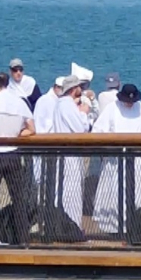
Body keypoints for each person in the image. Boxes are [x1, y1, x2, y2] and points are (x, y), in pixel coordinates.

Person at [91, 83, 141, 234]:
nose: (129, 103)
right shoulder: (111, 109)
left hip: (138, 159)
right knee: (115, 192)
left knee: (138, 192)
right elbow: (98, 130)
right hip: (116, 159)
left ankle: (137, 223)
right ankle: (114, 227)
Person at [0, 75, 37, 244]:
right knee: (18, 198)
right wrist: (17, 134)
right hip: (13, 153)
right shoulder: (19, 103)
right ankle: (23, 238)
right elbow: (32, 129)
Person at [51, 75, 92, 222]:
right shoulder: (67, 105)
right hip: (70, 153)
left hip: (64, 152)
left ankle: (65, 223)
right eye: (79, 87)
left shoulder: (61, 103)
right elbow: (80, 129)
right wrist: (83, 113)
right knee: (72, 190)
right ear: (74, 89)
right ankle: (71, 224)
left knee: (67, 188)